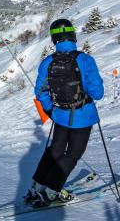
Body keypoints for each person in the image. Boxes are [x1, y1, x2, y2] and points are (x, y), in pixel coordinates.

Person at [25, 19, 104, 205]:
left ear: (54, 39)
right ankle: (52, 190)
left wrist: (50, 109)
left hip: (59, 115)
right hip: (83, 117)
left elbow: (40, 91)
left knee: (55, 150)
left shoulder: (48, 62)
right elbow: (97, 93)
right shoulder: (85, 60)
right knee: (73, 154)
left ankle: (37, 187)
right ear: (73, 35)